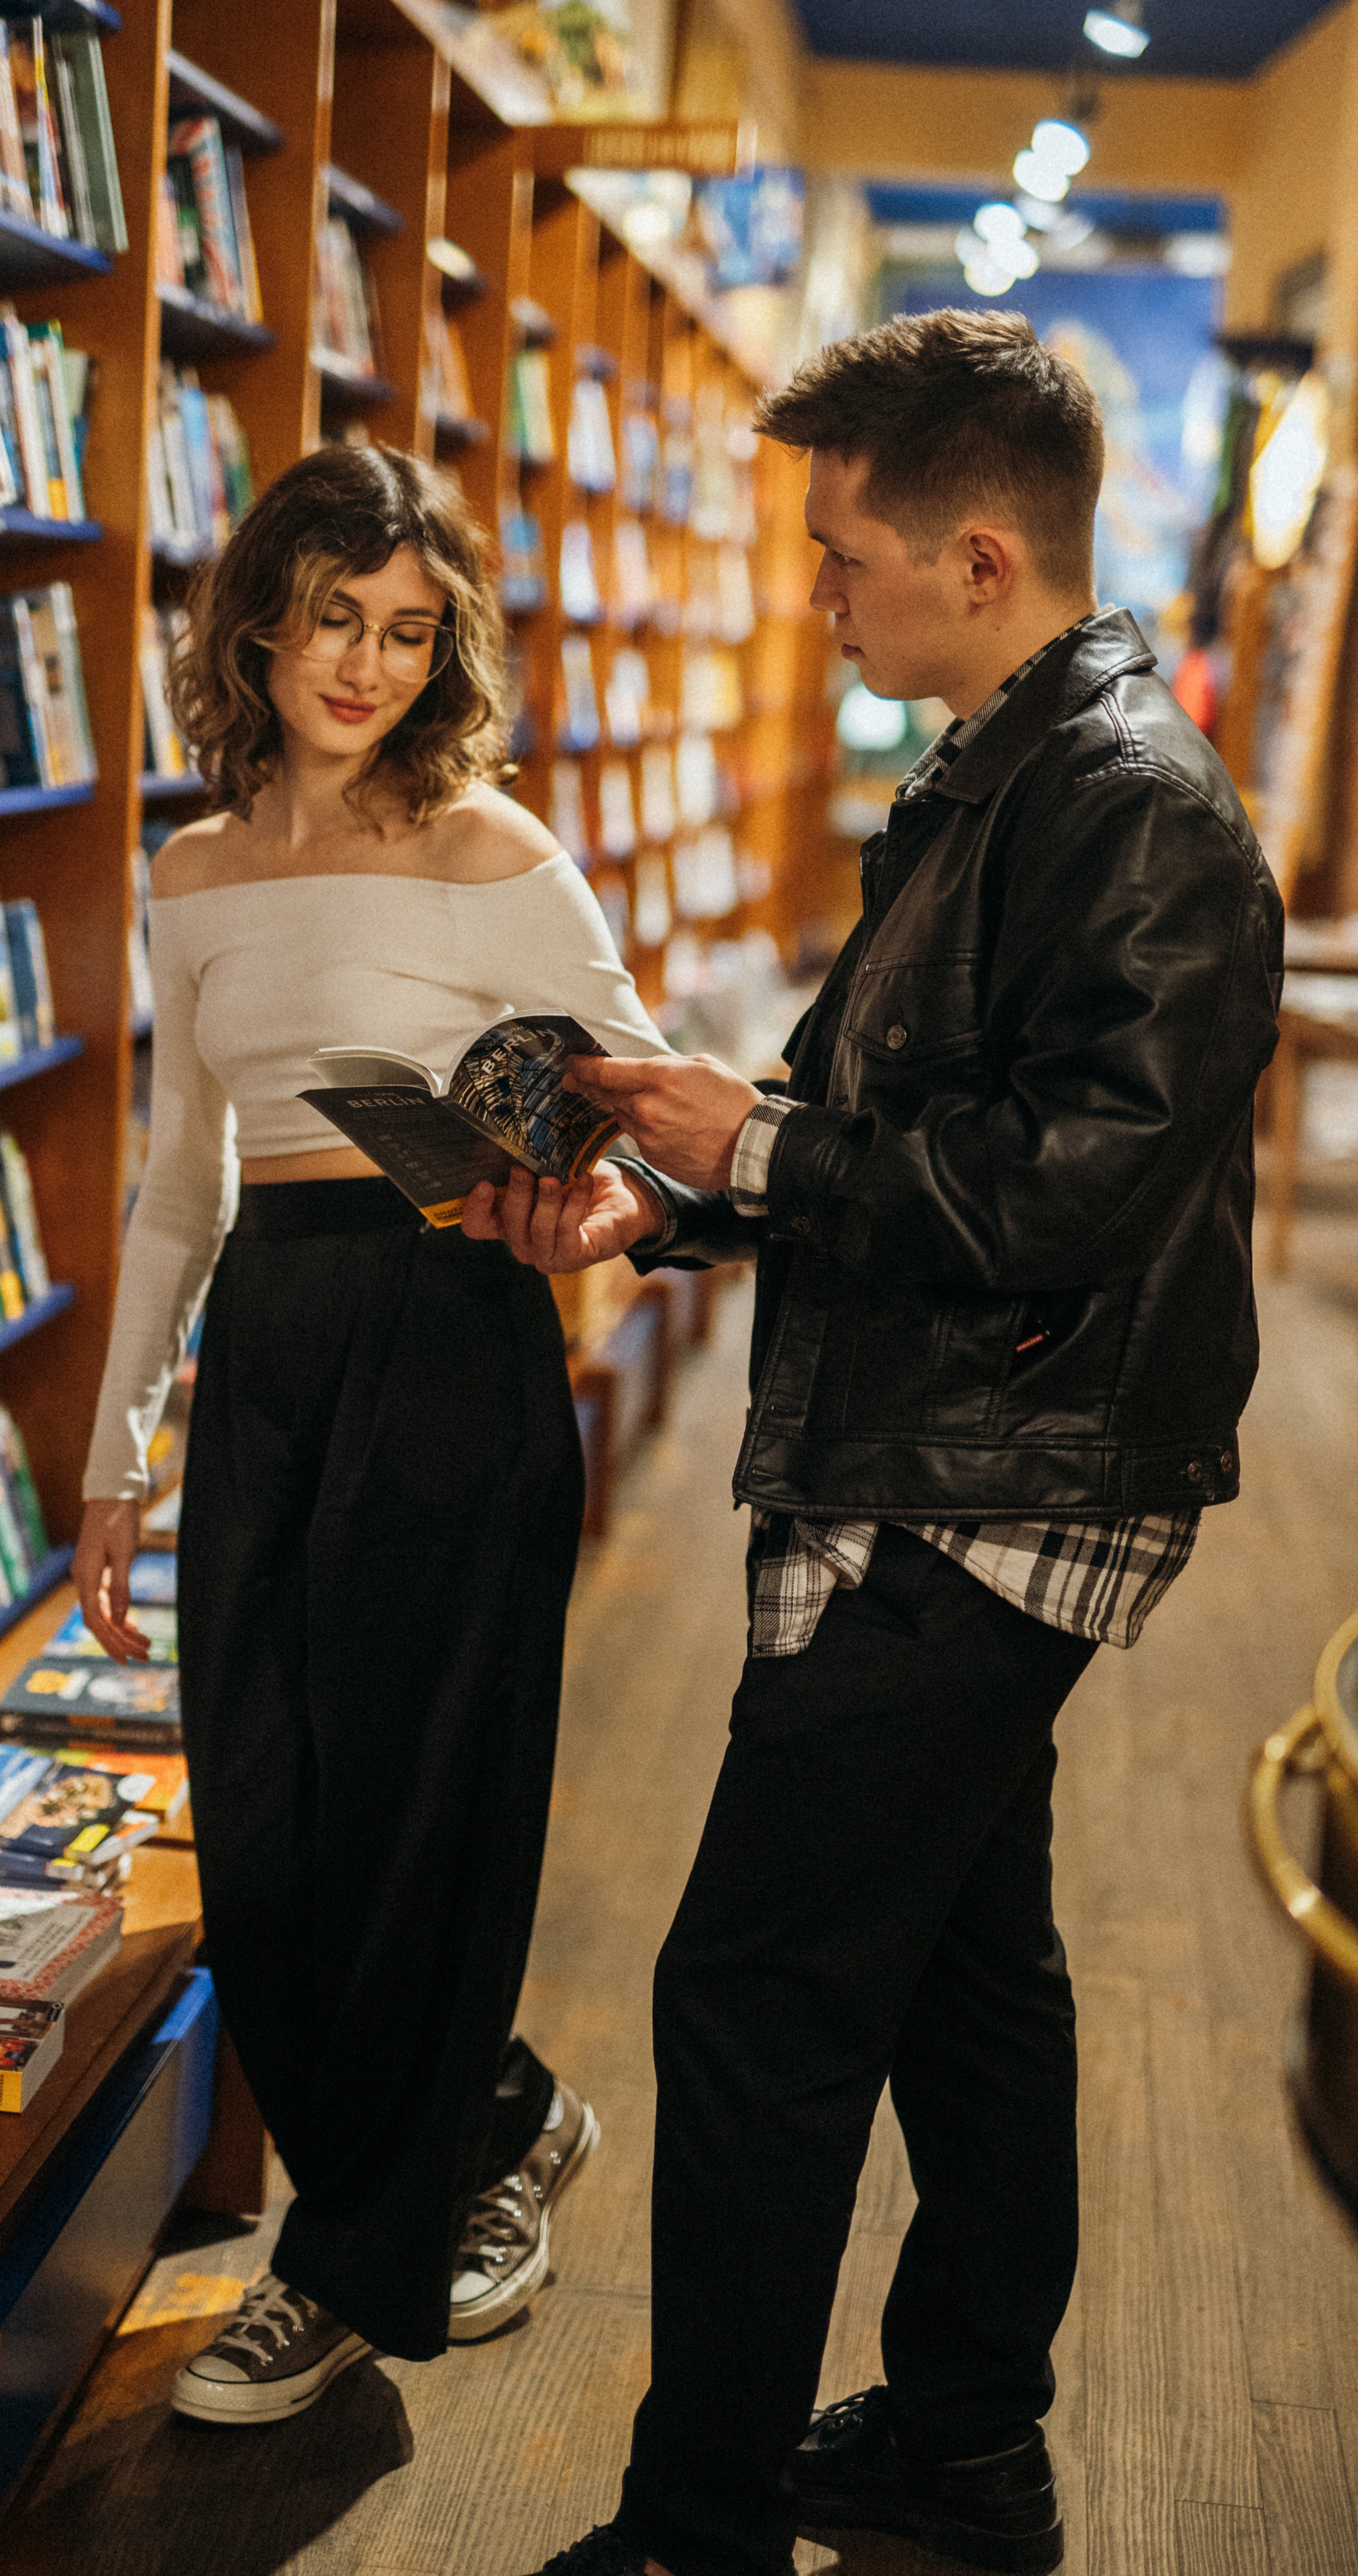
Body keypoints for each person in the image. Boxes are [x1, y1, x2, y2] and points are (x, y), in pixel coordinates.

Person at [468, 310, 1283, 2576]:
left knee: (753, 1994)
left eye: (841, 555)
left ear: (986, 555)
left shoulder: (1132, 811)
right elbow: (899, 1126)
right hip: (954, 1446)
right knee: (965, 1968)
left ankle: (691, 2527)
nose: (817, 594)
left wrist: (761, 1154)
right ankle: (961, 2445)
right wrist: (681, 1189)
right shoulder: (1004, 767)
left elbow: (1060, 1195)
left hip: (995, 1487)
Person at [72, 443, 670, 2426]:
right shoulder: (190, 866)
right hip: (271, 1351)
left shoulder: (493, 851)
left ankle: (342, 2267)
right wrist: (111, 1452)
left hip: (447, 1334)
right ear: (258, 615)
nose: (367, 664)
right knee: (264, 1828)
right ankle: (493, 2114)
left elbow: (647, 1108)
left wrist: (586, 1200)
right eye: (336, 617)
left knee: (416, 1818)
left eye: (411, 630)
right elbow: (179, 1179)